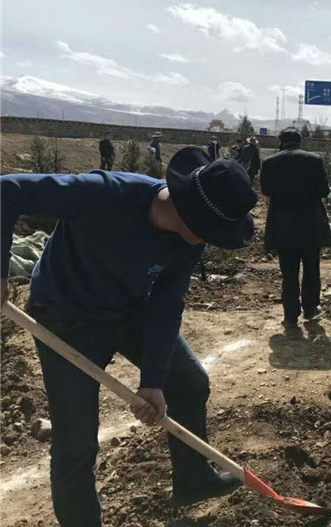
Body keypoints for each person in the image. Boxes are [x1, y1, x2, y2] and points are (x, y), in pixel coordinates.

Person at [0, 148, 257, 526]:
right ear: (190, 214)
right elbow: (7, 190)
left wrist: (153, 380)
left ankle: (193, 479)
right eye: (212, 232)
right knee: (76, 442)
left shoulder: (190, 239)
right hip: (64, 318)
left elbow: (167, 302)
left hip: (129, 310)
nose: (213, 240)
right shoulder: (104, 194)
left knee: (188, 382)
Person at [260, 128, 331, 329]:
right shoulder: (314, 160)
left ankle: (290, 315)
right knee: (311, 269)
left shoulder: (269, 162)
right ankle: (310, 308)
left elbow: (265, 190)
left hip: (283, 225)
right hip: (310, 224)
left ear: (280, 142)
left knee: (289, 273)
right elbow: (324, 191)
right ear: (300, 141)